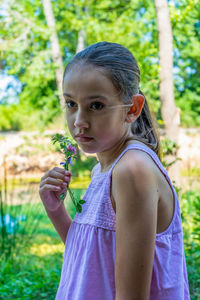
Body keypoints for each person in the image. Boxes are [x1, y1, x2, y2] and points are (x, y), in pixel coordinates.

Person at [39, 41, 190, 300]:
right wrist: (56, 210)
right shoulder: (104, 168)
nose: (79, 122)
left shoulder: (132, 170)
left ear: (132, 109)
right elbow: (91, 259)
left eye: (96, 105)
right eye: (71, 104)